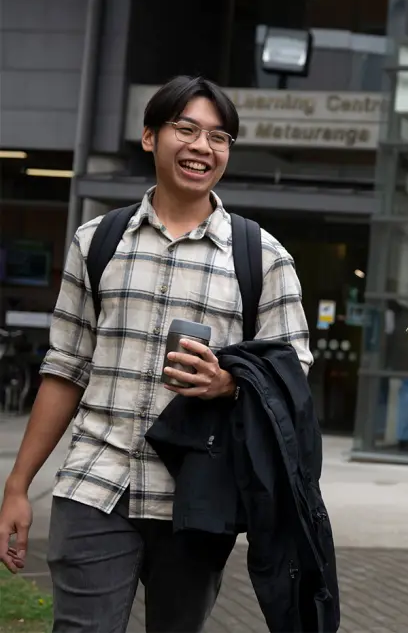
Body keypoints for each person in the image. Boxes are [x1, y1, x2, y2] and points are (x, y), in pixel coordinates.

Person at [0, 76, 312, 632]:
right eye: (185, 129)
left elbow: (291, 373)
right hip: (94, 481)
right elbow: (65, 368)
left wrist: (230, 383)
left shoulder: (262, 257)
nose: (202, 147)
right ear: (149, 137)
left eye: (219, 138)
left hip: (198, 497)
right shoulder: (97, 241)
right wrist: (19, 486)